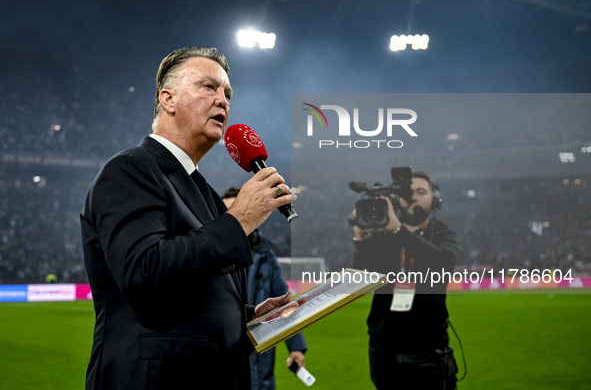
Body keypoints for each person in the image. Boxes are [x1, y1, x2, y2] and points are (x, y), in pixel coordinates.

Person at [80, 46, 297, 390]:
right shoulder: (130, 169)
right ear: (168, 99)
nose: (223, 101)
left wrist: (249, 316)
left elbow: (191, 293)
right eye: (209, 87)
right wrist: (239, 221)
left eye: (227, 93)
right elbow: (144, 271)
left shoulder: (203, 191)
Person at [351, 171, 460, 390]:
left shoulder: (442, 234)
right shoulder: (382, 235)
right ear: (397, 199)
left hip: (428, 350)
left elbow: (442, 264)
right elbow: (360, 280)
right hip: (384, 350)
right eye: (407, 193)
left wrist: (399, 231)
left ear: (434, 198)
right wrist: (361, 239)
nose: (414, 197)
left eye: (421, 192)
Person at [222, 188, 308, 390]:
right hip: (223, 350)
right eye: (228, 211)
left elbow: (286, 304)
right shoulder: (208, 255)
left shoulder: (266, 256)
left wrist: (296, 348)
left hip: (260, 353)